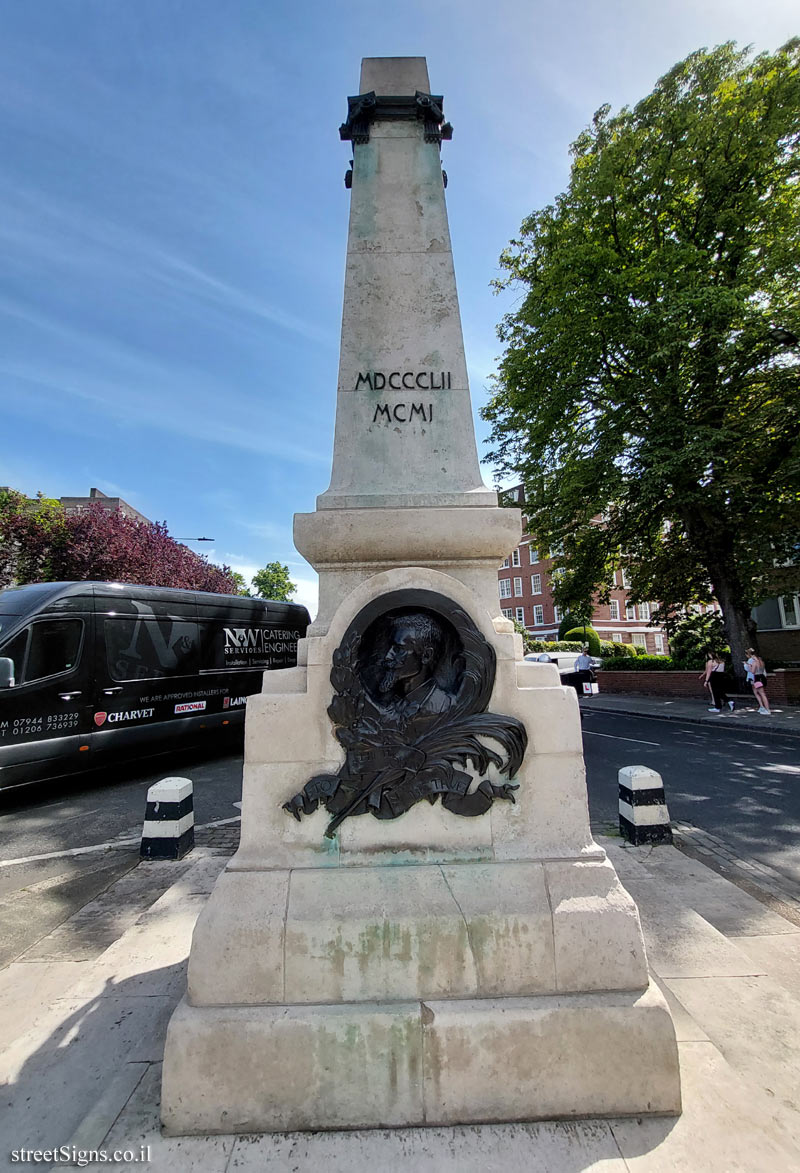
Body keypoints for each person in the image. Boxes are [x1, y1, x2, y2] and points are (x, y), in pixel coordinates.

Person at [379, 613, 454, 718]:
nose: (388, 656)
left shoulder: (445, 706)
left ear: (426, 655)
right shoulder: (390, 702)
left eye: (399, 649)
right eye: (390, 648)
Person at [744, 648, 772, 715]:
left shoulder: (754, 662)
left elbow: (753, 671)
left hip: (757, 677)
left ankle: (767, 709)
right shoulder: (761, 662)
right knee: (763, 693)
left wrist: (749, 666)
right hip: (762, 676)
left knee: (761, 693)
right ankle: (766, 708)